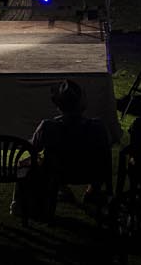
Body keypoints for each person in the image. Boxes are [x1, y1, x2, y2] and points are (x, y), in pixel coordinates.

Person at [30, 78, 111, 208]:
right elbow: (106, 155)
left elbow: (33, 147)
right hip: (89, 171)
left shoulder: (48, 126)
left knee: (40, 160)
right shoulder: (98, 127)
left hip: (59, 172)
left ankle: (57, 192)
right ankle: (91, 191)